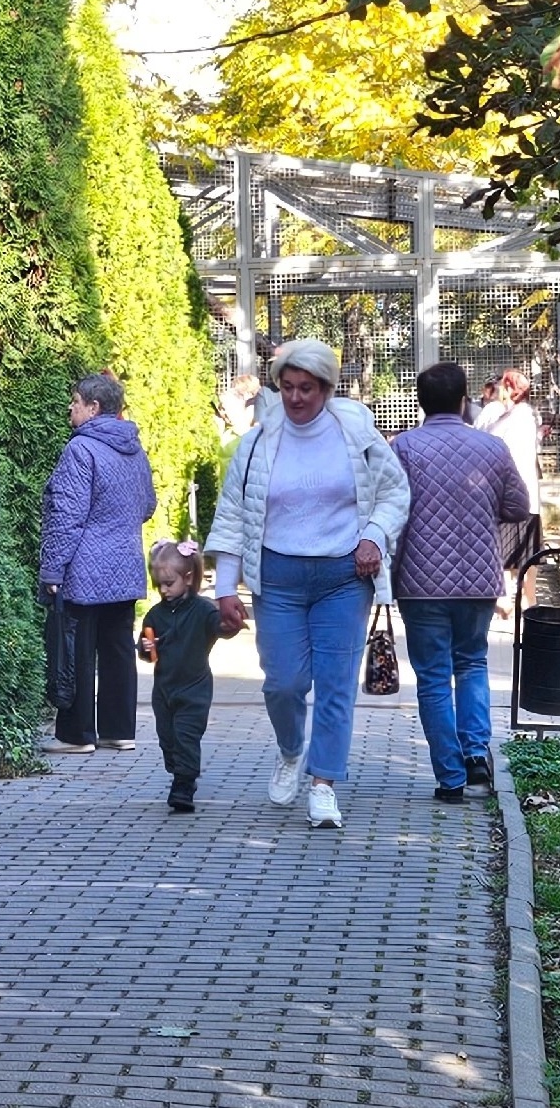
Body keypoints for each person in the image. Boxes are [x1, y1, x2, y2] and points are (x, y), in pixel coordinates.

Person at [206, 338, 410, 829]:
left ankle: (324, 785)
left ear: (326, 389)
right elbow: (234, 515)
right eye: (288, 387)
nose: (296, 398)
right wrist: (225, 589)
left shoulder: (356, 433)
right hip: (277, 578)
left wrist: (375, 538)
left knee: (336, 685)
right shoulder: (257, 444)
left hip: (344, 577)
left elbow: (394, 492)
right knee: (284, 683)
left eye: (307, 389)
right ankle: (290, 749)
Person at [390, 363, 530, 802]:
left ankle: (449, 779)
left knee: (432, 677)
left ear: (419, 403)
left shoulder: (404, 448)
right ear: (464, 399)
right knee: (472, 663)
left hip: (419, 581)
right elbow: (518, 506)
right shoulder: (491, 448)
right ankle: (477, 760)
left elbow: (388, 510)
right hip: (477, 579)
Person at [38, 374, 157, 754]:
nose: (70, 408)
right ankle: (119, 731)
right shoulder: (134, 449)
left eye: (75, 402)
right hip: (125, 564)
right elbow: (148, 506)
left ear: (94, 408)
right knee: (118, 647)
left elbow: (66, 515)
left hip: (85, 568)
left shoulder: (81, 450)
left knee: (78, 649)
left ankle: (76, 736)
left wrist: (53, 569)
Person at [138, 539, 244, 812]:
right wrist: (145, 647)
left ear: (187, 578)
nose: (163, 589)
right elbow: (146, 649)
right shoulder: (155, 614)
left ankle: (184, 785)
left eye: (168, 583)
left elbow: (219, 627)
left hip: (194, 688)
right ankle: (179, 770)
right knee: (167, 738)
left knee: (186, 736)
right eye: (158, 584)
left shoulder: (203, 609)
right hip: (163, 690)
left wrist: (230, 624)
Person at [477, 367, 543, 613]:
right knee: (529, 550)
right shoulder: (530, 415)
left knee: (503, 544)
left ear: (509, 389)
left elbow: (483, 438)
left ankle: (504, 598)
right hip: (529, 494)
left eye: (503, 386)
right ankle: (529, 599)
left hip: (506, 492)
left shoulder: (505, 415)